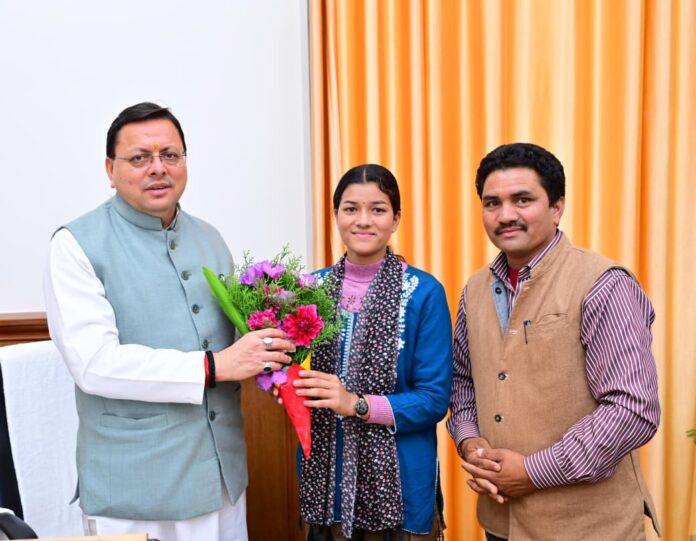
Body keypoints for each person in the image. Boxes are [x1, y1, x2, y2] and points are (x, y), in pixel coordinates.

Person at [43, 102, 293, 541]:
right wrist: (213, 367)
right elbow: (94, 364)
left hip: (221, 478)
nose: (158, 168)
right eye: (139, 157)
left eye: (170, 155)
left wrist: (273, 354)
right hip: (134, 488)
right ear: (110, 169)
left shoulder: (210, 239)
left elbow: (235, 342)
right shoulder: (74, 245)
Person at [447, 142, 661, 540]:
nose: (505, 215)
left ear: (557, 208)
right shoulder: (474, 290)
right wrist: (469, 440)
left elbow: (633, 409)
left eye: (522, 200)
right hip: (500, 522)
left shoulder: (602, 284)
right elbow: (462, 381)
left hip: (589, 528)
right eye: (492, 203)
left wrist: (533, 472)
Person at [292, 164, 453, 540]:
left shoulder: (424, 292)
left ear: (396, 219)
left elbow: (434, 400)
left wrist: (357, 404)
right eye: (351, 209)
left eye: (377, 209)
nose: (363, 220)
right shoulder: (309, 290)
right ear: (336, 216)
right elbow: (295, 375)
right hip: (325, 480)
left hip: (400, 480)